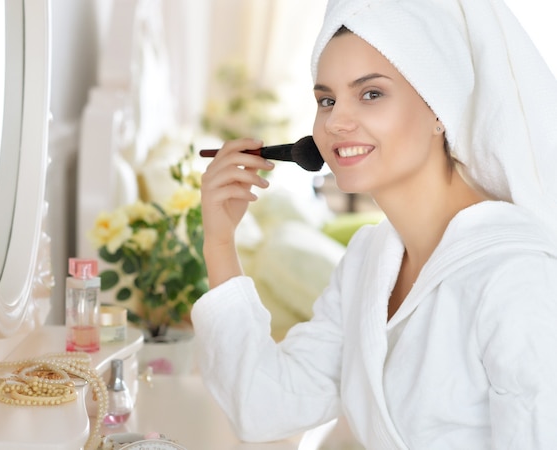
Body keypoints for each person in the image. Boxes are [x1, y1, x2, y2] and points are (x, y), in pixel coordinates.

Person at [191, 0, 557, 448]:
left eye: (370, 94)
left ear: (438, 108)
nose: (337, 122)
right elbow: (266, 407)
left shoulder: (516, 277)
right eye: (326, 100)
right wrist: (219, 243)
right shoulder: (370, 260)